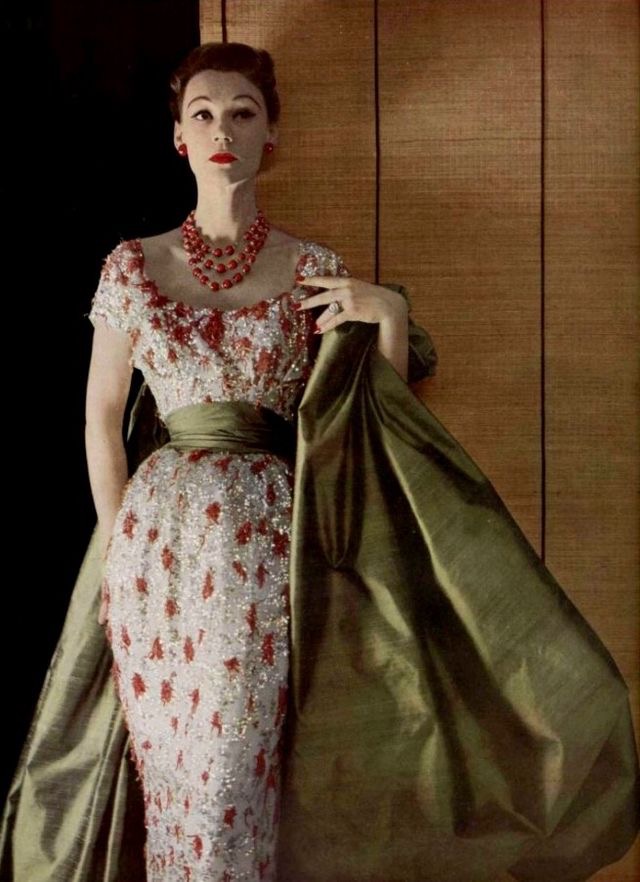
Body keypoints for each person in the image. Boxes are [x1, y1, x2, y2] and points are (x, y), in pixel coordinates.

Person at [2, 40, 639, 882]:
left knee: (238, 767)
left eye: (243, 113)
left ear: (272, 135)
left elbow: (371, 413)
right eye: (203, 114)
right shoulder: (133, 266)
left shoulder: (310, 270)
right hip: (157, 549)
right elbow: (100, 415)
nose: (222, 129)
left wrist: (386, 316)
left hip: (273, 547)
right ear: (178, 138)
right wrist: (119, 552)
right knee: (175, 776)